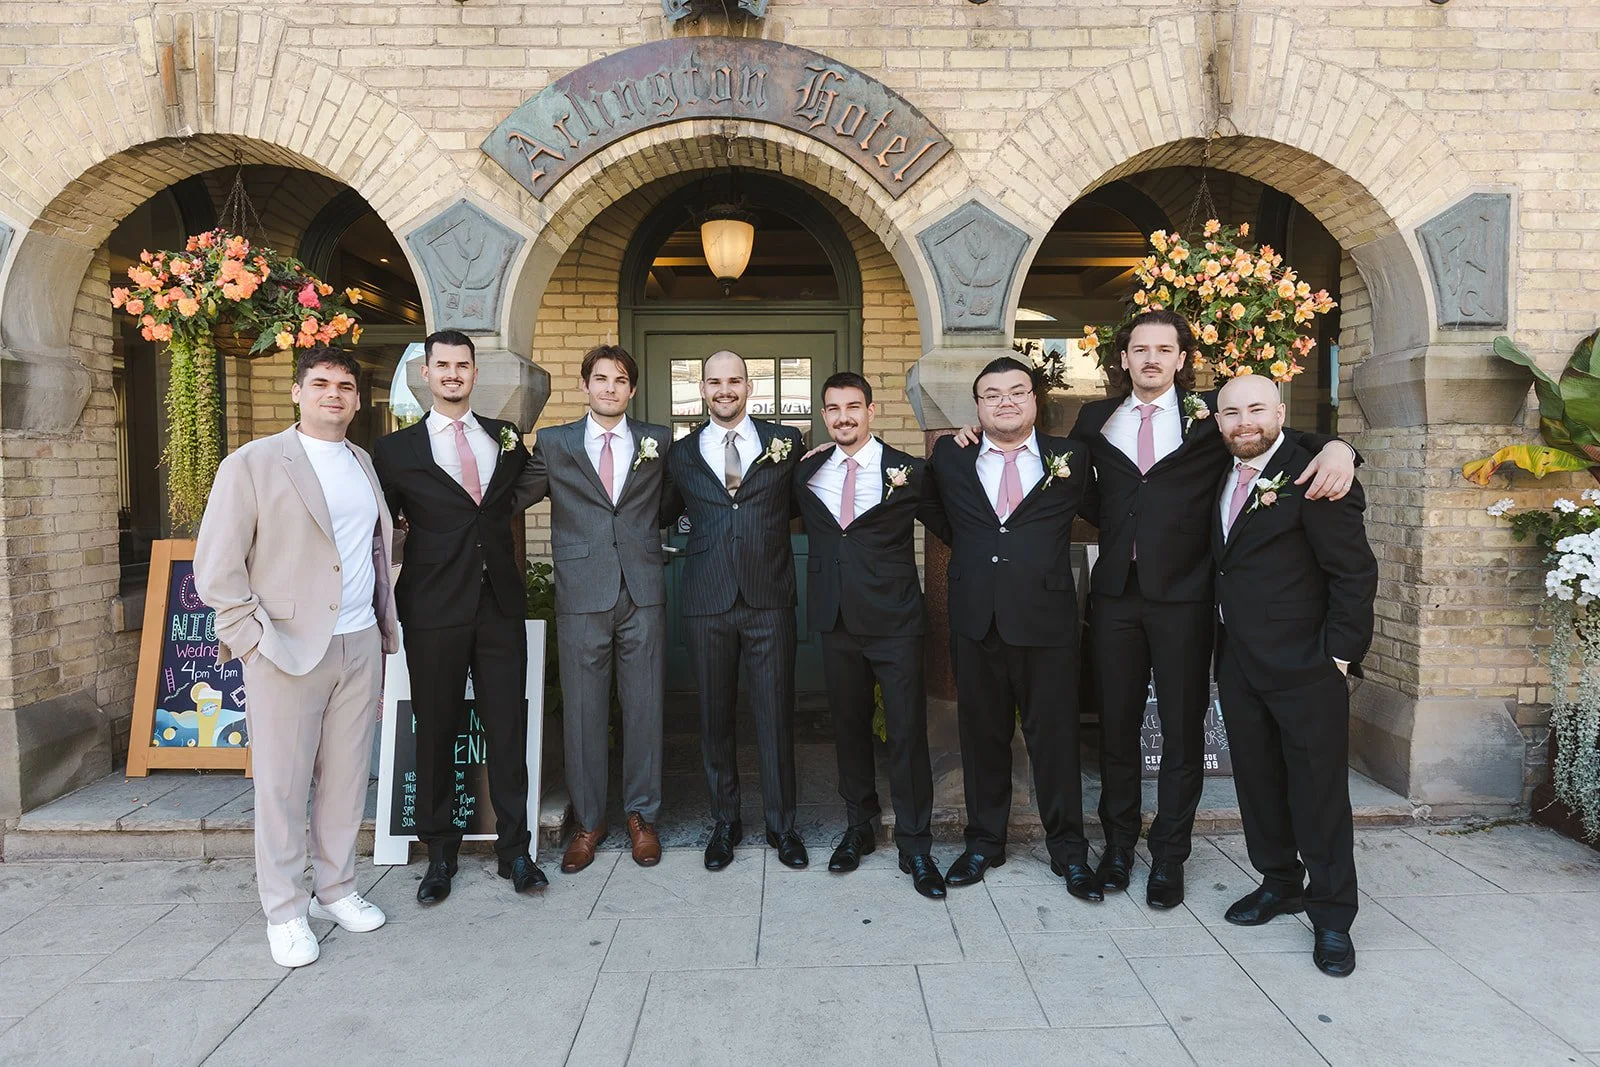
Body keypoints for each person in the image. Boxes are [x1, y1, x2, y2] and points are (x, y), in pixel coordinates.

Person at [1066, 308, 1358, 909]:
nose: (1151, 358)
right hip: (1117, 596)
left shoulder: (1213, 416)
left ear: (1180, 359)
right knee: (1116, 730)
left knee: (1182, 732)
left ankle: (1169, 856)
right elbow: (1079, 487)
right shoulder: (1095, 418)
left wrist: (1340, 447)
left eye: (1163, 349)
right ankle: (1118, 847)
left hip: (1188, 598)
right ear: (1123, 359)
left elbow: (1276, 440)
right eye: (1139, 349)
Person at [194, 347, 397, 968]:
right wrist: (254, 642)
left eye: (344, 386)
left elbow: (367, 547)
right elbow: (217, 570)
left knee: (344, 776)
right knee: (281, 784)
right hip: (285, 649)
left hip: (360, 641)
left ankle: (334, 888)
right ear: (296, 392)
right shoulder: (252, 463)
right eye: (321, 384)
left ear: (359, 400)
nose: (333, 394)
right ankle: (284, 908)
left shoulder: (362, 461)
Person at [1211, 373, 1377, 978]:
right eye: (1231, 412)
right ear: (1218, 420)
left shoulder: (1316, 473)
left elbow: (1354, 574)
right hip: (1237, 660)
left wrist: (1338, 654)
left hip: (1307, 664)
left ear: (1281, 411)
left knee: (1318, 794)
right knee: (1257, 783)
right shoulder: (1222, 467)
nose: (1243, 421)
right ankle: (1280, 883)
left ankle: (1332, 916)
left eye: (1257, 408)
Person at [372, 330, 546, 903]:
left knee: (507, 731)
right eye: (442, 365)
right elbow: (378, 533)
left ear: (474, 374)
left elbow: (515, 498)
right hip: (432, 609)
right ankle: (439, 856)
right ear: (426, 373)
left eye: (462, 365)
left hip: (499, 607)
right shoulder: (395, 452)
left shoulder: (506, 439)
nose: (452, 374)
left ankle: (515, 853)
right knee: (437, 732)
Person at [921, 356, 1100, 899]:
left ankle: (1068, 851)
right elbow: (940, 516)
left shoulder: (1071, 457)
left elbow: (1115, 506)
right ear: (977, 406)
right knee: (982, 738)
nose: (1005, 401)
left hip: (1046, 624)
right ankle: (984, 843)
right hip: (977, 620)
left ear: (1034, 400)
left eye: (1016, 392)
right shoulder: (949, 460)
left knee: (1055, 741)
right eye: (992, 394)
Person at [514, 344, 670, 874]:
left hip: (643, 591)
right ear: (585, 385)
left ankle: (642, 818)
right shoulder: (556, 443)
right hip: (582, 594)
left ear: (631, 389)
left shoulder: (658, 441)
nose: (609, 387)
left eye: (620, 379)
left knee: (644, 707)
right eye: (600, 378)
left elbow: (683, 493)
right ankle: (588, 822)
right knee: (583, 711)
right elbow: (512, 496)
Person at [794, 372, 945, 900]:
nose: (843, 418)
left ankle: (915, 844)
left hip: (896, 623)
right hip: (835, 622)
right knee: (849, 731)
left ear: (871, 411)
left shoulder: (909, 470)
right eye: (832, 409)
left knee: (906, 735)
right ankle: (859, 829)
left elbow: (953, 523)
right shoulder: (807, 471)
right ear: (823, 415)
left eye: (852, 407)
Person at [662, 350, 808, 871]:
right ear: (702, 388)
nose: (725, 390)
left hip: (769, 597)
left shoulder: (785, 442)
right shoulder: (679, 453)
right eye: (715, 382)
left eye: (734, 381)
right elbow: (660, 510)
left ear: (749, 386)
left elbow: (800, 502)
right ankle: (726, 821)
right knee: (714, 717)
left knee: (775, 715)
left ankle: (781, 825)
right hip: (706, 599)